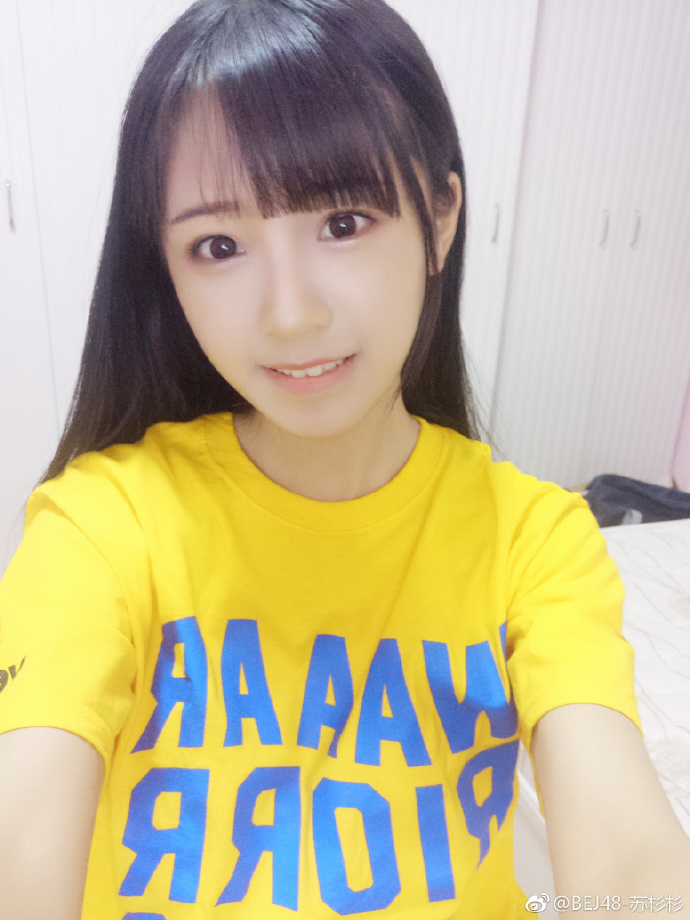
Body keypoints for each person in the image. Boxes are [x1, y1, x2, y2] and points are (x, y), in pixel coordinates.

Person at [0, 0, 688, 917]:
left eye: (343, 222)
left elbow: (628, 854)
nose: (291, 315)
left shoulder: (533, 539)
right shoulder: (100, 525)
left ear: (440, 219)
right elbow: (22, 829)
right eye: (218, 246)